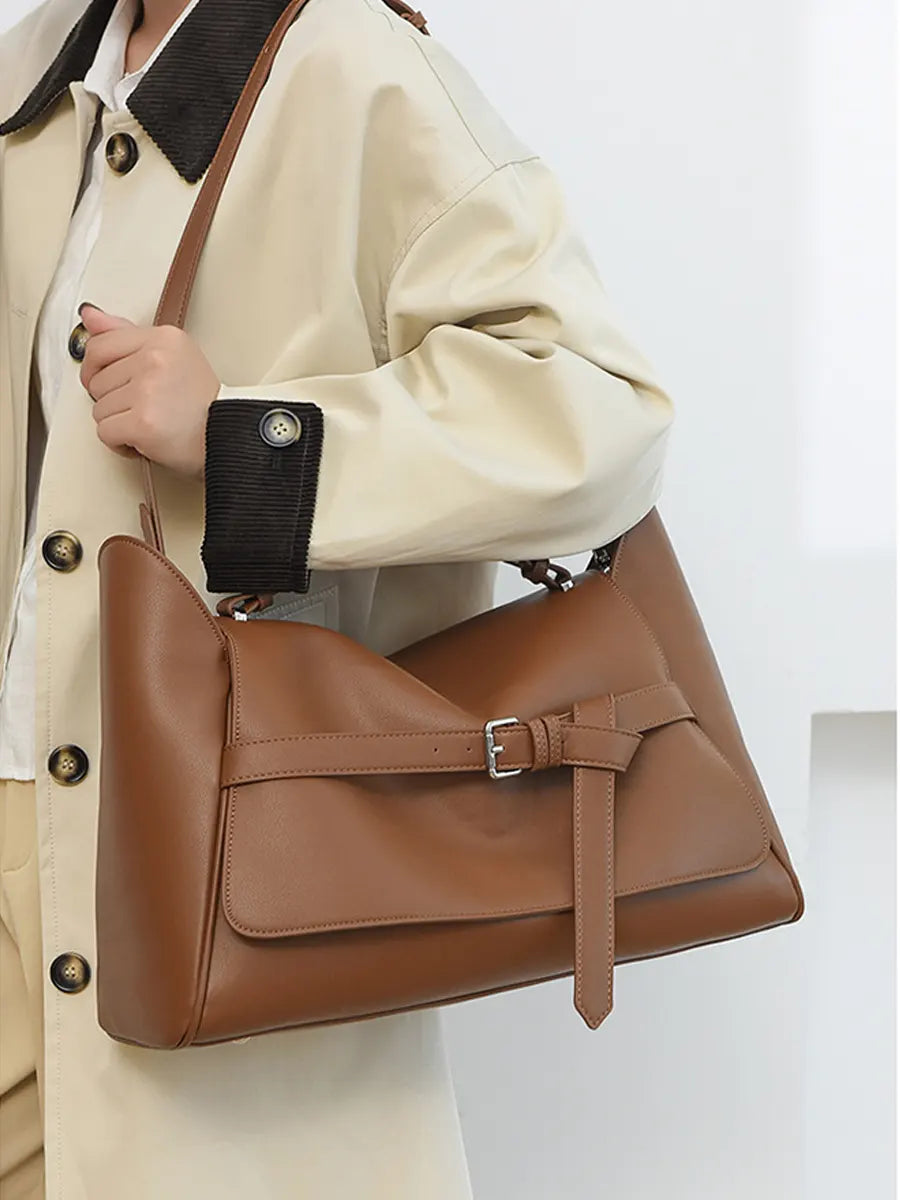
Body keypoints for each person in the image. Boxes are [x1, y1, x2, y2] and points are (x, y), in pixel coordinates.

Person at [0, 0, 675, 1195]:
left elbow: (597, 411)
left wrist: (247, 441)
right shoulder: (37, 68)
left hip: (225, 834)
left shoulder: (356, 68)